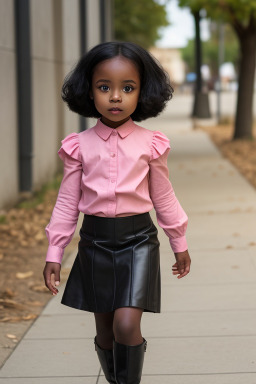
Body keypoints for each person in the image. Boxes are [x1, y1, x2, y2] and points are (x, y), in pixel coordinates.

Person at [43, 41, 191, 384]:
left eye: (128, 88)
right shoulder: (78, 146)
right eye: (104, 87)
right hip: (94, 242)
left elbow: (164, 196)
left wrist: (178, 240)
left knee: (126, 324)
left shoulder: (151, 143)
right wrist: (55, 250)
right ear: (89, 90)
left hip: (138, 240)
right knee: (106, 332)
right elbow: (66, 202)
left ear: (143, 91)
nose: (115, 97)